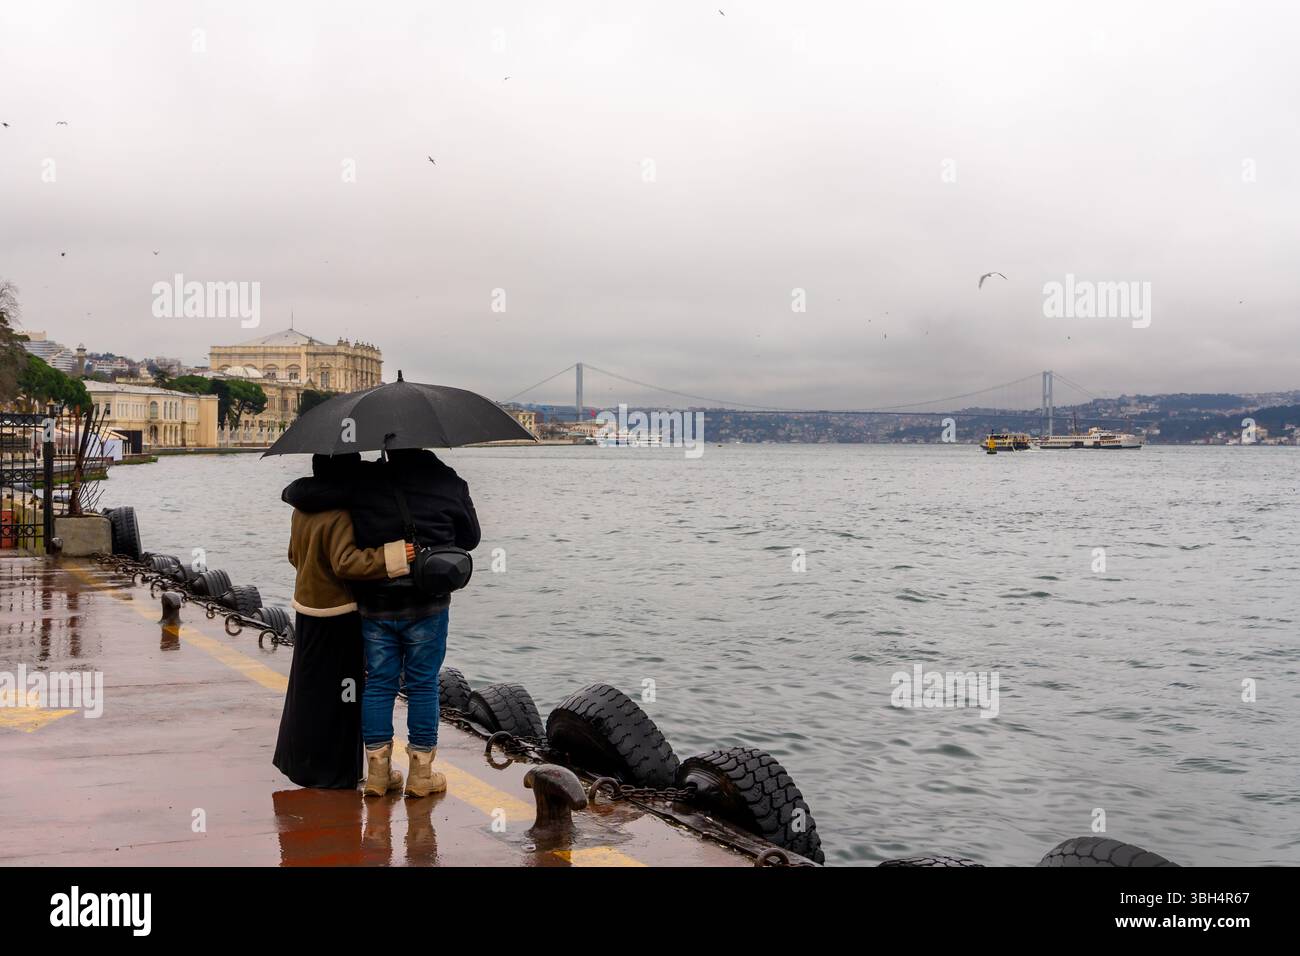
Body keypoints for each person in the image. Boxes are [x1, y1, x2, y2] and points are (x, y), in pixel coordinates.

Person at [287, 447, 480, 797]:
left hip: (375, 603)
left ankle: (378, 773)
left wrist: (291, 492)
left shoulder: (364, 482)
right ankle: (421, 775)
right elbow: (471, 538)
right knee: (423, 684)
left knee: (378, 683)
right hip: (428, 603)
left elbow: (311, 494)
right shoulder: (448, 480)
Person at [274, 453, 414, 791]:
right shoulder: (340, 511)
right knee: (344, 696)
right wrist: (394, 556)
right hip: (338, 613)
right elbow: (346, 563)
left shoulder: (302, 507)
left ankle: (305, 764)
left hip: (307, 609)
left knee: (309, 694)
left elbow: (294, 555)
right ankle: (338, 771)